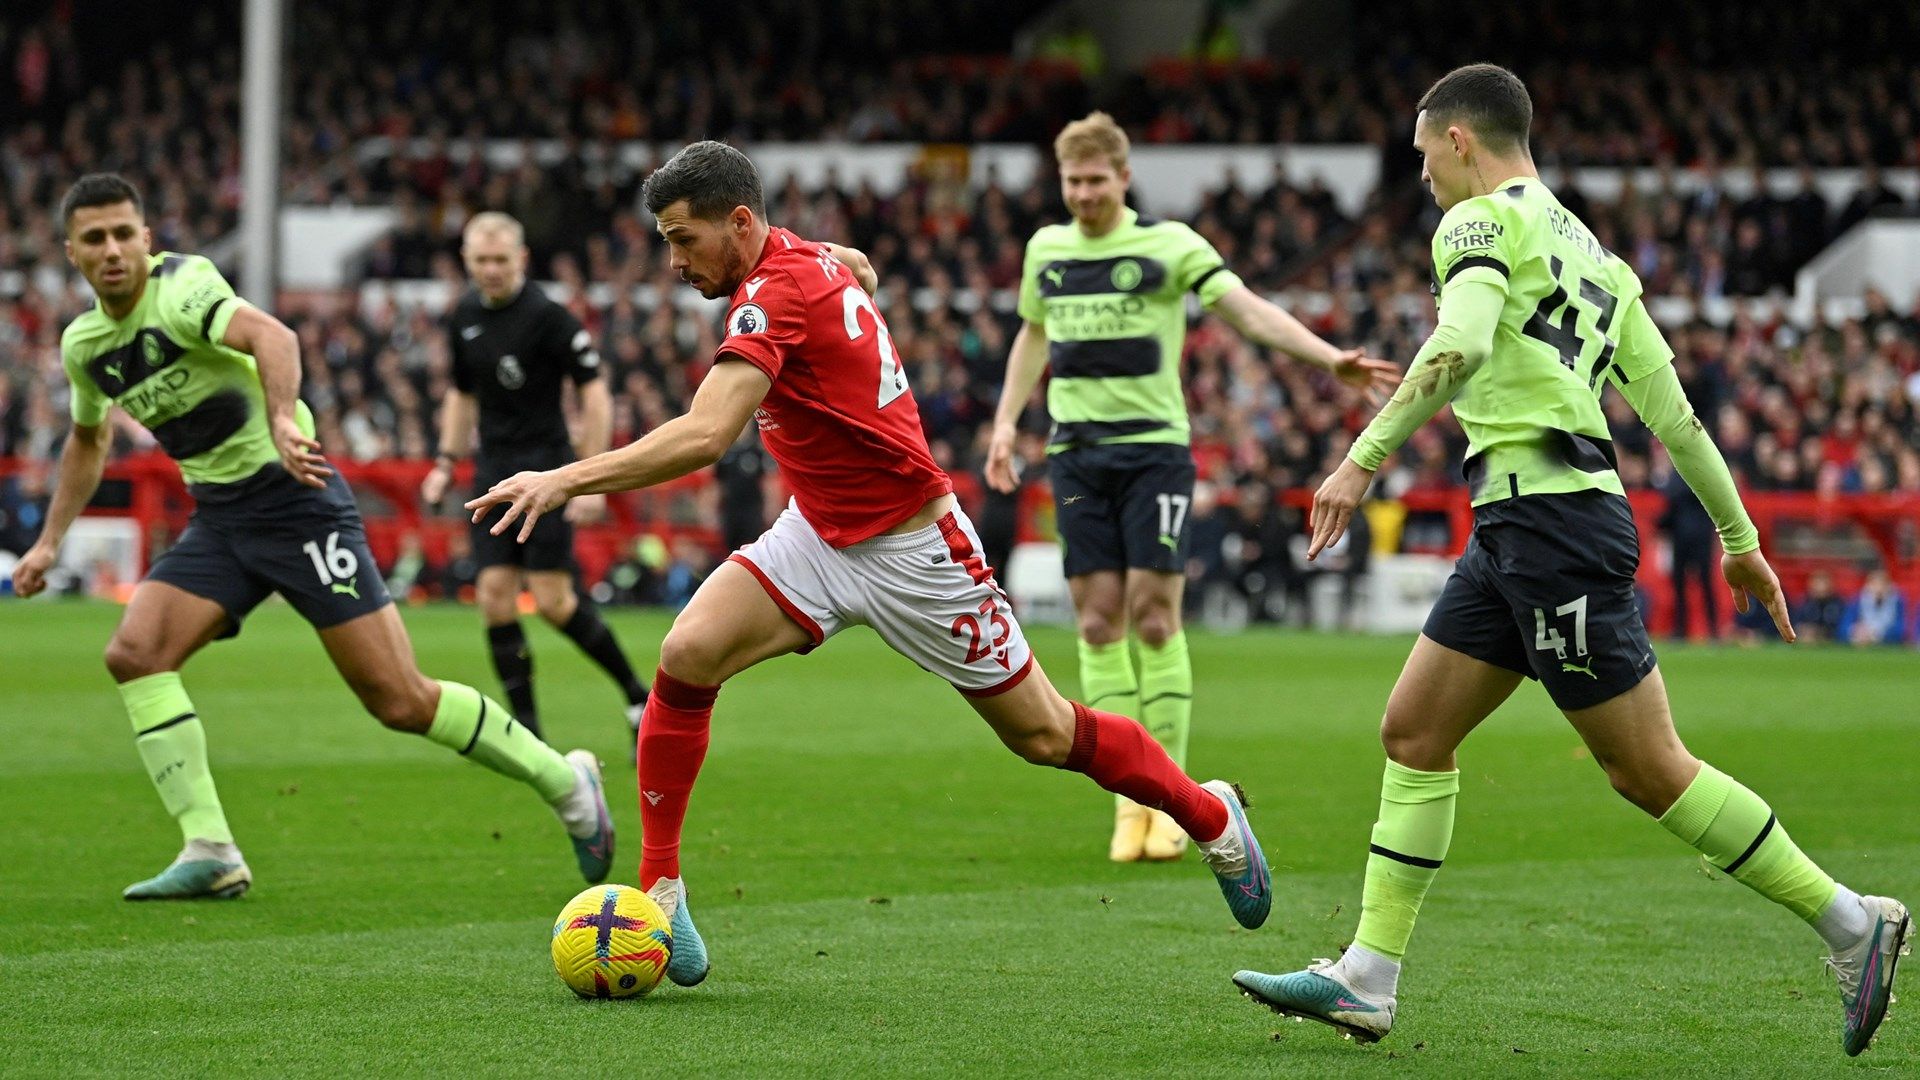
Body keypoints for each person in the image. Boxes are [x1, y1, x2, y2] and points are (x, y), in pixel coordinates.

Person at [467, 141, 1273, 990]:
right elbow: (857, 266)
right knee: (685, 655)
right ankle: (661, 888)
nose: (673, 262)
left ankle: (1212, 817)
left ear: (741, 222)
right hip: (817, 533)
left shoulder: (773, 292)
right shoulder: (798, 257)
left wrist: (564, 477)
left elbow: (707, 435)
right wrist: (848, 271)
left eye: (684, 239)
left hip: (918, 551)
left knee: (1045, 734)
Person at [1231, 67, 1909, 1057]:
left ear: (1462, 139)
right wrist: (1740, 543)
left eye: (1425, 156)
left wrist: (1359, 458)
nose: (1423, 178)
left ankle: (1854, 921)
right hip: (1520, 527)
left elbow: (1457, 343)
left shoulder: (1475, 226)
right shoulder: (1597, 259)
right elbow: (1673, 419)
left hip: (1552, 529)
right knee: (1414, 731)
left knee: (1647, 770)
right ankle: (1368, 977)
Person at [10, 175, 614, 900]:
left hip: (296, 504)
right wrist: (48, 541)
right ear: (71, 252)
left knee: (399, 700)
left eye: (122, 234)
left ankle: (568, 784)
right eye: (94, 239)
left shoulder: (183, 288)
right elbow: (87, 439)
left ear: (147, 238)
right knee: (135, 653)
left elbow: (272, 335)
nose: (112, 250)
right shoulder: (87, 345)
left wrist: (279, 419)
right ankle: (210, 847)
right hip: (222, 519)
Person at [984, 112, 1398, 862]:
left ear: (1123, 177)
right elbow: (1034, 334)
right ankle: (1125, 805)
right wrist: (1007, 421)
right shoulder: (1046, 249)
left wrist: (1325, 357)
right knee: (1099, 623)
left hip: (1153, 455)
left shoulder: (1169, 245)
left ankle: (1170, 799)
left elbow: (1244, 309)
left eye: (1094, 181)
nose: (1081, 194)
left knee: (1151, 618)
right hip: (1076, 453)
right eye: (1070, 181)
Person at [420, 212, 650, 742]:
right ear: (467, 262)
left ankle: (637, 696)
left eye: (501, 259)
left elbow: (594, 389)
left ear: (522, 259)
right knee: (494, 597)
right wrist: (445, 463)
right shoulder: (463, 318)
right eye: (482, 260)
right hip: (493, 473)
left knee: (552, 601)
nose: (492, 269)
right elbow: (461, 393)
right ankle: (529, 732)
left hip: (547, 469)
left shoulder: (549, 317)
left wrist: (586, 476)